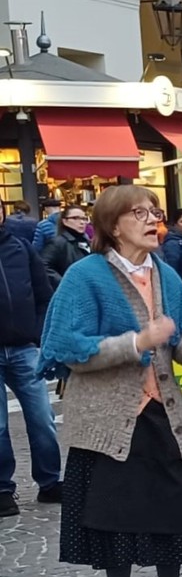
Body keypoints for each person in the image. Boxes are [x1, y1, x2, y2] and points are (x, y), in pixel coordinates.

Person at [38, 185, 182, 577]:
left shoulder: (162, 273)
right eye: (138, 213)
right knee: (113, 516)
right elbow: (67, 348)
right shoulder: (86, 276)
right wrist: (136, 343)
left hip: (163, 412)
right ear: (112, 225)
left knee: (174, 511)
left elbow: (180, 336)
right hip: (109, 421)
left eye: (153, 211)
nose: (150, 219)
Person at [0, 203, 60, 517]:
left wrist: (38, 331)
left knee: (42, 418)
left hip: (24, 346)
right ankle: (2, 490)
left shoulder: (20, 247)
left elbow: (43, 292)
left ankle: (50, 482)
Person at [41, 205, 91, 289]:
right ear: (65, 221)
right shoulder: (58, 242)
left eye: (84, 219)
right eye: (75, 218)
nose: (82, 222)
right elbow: (44, 266)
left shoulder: (86, 241)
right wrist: (66, 283)